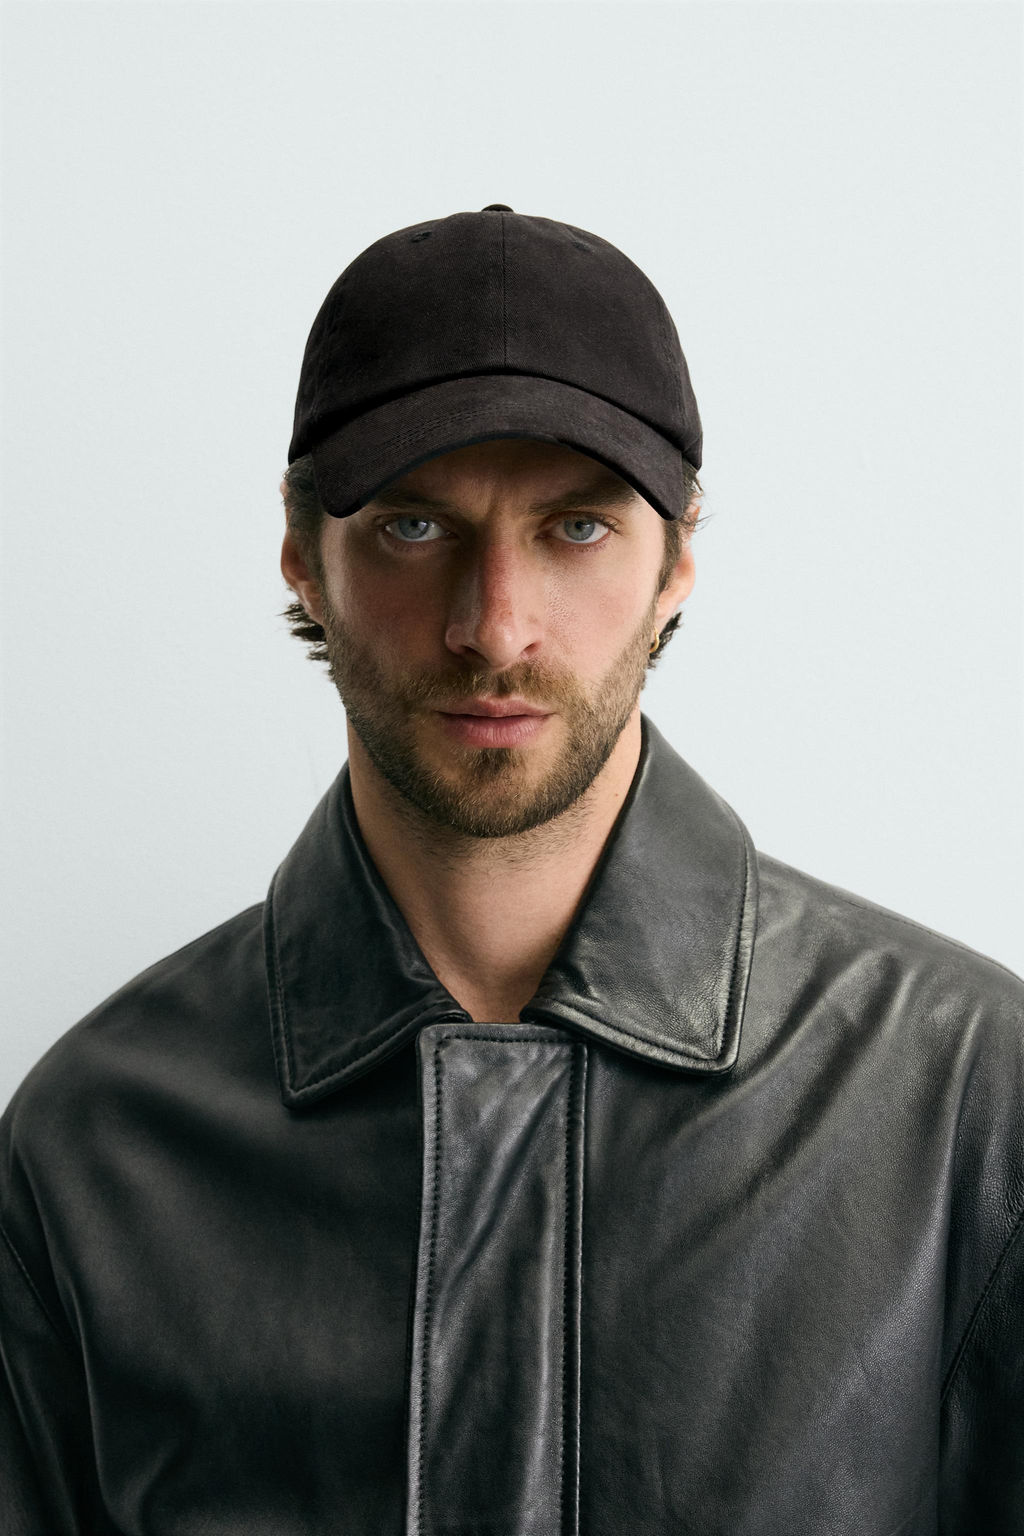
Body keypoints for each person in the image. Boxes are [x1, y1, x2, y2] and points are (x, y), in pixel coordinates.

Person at [1, 204, 1021, 1536]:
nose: (495, 628)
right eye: (416, 529)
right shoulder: (94, 1145)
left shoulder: (965, 1104)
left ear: (677, 559)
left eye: (575, 529)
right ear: (305, 557)